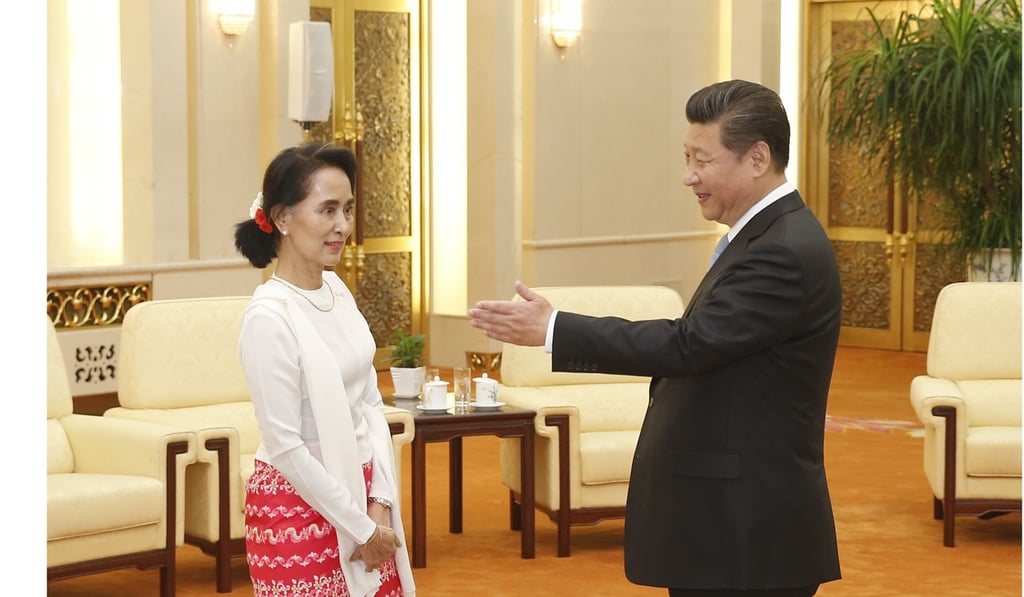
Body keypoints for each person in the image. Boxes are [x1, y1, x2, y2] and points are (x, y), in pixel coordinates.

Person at [468, 80, 842, 596]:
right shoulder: (762, 238)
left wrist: (554, 328)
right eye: (686, 157)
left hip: (748, 530)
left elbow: (689, 345)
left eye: (701, 160)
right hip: (728, 522)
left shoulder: (784, 250)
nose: (688, 176)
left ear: (757, 158)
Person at [234, 142, 415, 597]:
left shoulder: (336, 290)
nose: (343, 226)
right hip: (297, 509)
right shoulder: (269, 317)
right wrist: (361, 527)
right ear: (281, 218)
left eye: (348, 209)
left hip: (366, 495)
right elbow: (287, 446)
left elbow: (371, 403)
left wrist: (379, 504)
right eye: (327, 210)